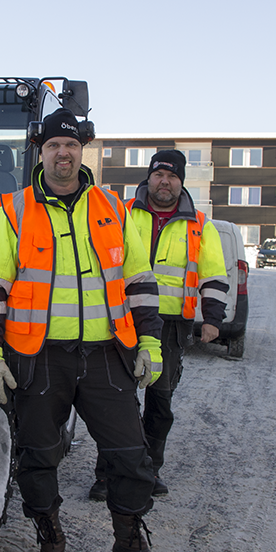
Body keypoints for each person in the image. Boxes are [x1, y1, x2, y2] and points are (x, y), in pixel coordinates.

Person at [0, 108, 172, 552]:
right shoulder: (14, 210)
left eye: (71, 145)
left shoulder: (114, 208)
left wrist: (150, 342)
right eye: (53, 146)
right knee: (39, 457)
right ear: (41, 153)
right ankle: (51, 542)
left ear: (82, 151)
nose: (63, 153)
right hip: (39, 359)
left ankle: (127, 542)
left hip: (106, 355)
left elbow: (140, 282)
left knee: (130, 455)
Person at [88, 150, 228, 501]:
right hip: (121, 319)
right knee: (116, 401)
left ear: (181, 183)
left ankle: (149, 470)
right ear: (148, 178)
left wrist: (212, 319)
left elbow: (213, 274)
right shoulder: (120, 212)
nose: (164, 182)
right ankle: (108, 475)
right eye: (158, 175)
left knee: (159, 402)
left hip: (168, 326)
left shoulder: (199, 224)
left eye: (172, 176)